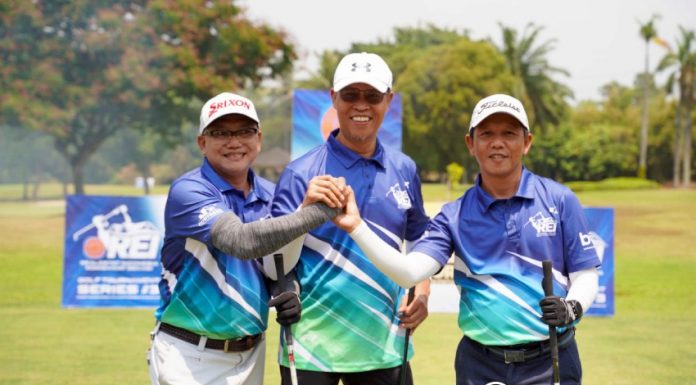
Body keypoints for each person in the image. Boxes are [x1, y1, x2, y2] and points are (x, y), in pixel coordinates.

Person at [334, 93, 601, 385]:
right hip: (480, 365)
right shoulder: (453, 216)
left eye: (509, 134)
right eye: (486, 134)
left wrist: (571, 307)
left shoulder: (560, 200)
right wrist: (357, 227)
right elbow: (409, 272)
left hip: (551, 360)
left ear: (526, 142)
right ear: (470, 144)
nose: (497, 142)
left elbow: (585, 274)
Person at [147, 92, 348, 385]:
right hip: (189, 355)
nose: (234, 141)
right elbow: (240, 241)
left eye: (244, 131)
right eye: (220, 133)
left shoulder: (271, 194)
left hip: (251, 353)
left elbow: (275, 259)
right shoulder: (189, 190)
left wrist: (286, 286)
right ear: (202, 143)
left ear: (259, 138)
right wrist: (316, 213)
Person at [271, 52, 431, 385]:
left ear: (388, 100)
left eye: (372, 96)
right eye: (350, 95)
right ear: (333, 99)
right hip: (311, 347)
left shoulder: (405, 169)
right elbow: (275, 264)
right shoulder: (300, 173)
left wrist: (423, 293)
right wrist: (304, 212)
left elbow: (421, 240)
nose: (361, 105)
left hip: (386, 345)